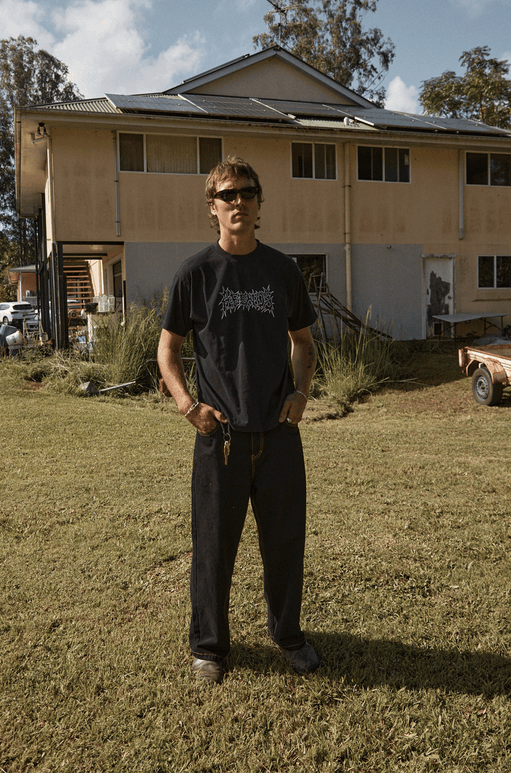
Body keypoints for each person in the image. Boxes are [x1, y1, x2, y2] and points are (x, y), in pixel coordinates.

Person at [157, 156, 320, 684]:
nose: (239, 202)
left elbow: (303, 342)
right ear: (213, 207)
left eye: (247, 193)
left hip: (277, 436)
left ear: (258, 203)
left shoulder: (282, 271)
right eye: (228, 195)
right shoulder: (195, 274)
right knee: (212, 545)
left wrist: (300, 392)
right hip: (219, 437)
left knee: (284, 541)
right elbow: (167, 350)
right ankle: (209, 648)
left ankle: (288, 636)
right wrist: (187, 405)